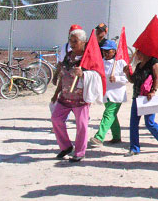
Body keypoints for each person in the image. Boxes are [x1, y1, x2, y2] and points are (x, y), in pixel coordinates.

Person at [50, 28, 93, 162]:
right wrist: (56, 93)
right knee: (56, 119)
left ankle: (80, 152)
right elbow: (63, 75)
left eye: (75, 41)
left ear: (84, 42)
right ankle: (66, 146)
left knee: (81, 125)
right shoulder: (68, 56)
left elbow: (97, 75)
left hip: (80, 99)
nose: (72, 43)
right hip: (65, 96)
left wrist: (84, 74)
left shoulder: (88, 58)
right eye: (70, 40)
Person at [123, 49, 158, 156]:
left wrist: (153, 91)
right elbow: (133, 80)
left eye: (139, 52)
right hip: (137, 97)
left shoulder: (154, 62)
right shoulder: (139, 65)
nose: (137, 55)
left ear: (146, 51)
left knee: (149, 122)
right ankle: (134, 148)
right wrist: (127, 73)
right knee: (133, 124)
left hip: (149, 98)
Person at [89, 40, 127, 147]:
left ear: (114, 51)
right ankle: (116, 137)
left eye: (108, 51)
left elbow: (127, 78)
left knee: (108, 114)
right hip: (105, 93)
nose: (105, 53)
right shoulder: (100, 62)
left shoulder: (121, 63)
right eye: (103, 51)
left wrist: (117, 78)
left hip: (117, 94)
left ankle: (99, 137)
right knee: (112, 115)